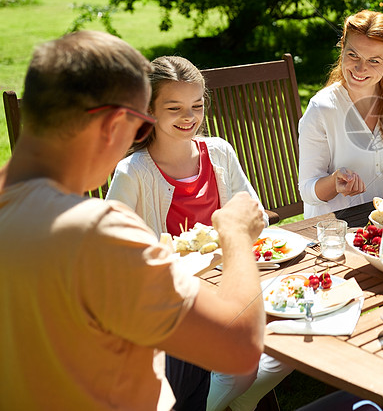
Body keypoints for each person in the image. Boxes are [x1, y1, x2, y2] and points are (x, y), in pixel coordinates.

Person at [0, 31, 265, 410]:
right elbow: (238, 348)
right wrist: (236, 233)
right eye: (140, 126)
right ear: (112, 127)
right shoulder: (97, 231)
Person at [105, 56, 289, 411]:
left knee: (295, 330)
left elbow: (256, 217)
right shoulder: (133, 172)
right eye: (174, 107)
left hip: (233, 285)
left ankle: (242, 398)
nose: (188, 117)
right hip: (175, 303)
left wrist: (245, 229)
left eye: (197, 106)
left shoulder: (219, 152)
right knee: (238, 354)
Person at [298, 10, 383, 217]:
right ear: (342, 49)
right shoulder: (322, 108)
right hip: (336, 232)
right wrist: (334, 183)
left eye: (374, 61)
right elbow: (307, 191)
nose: (360, 68)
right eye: (353, 55)